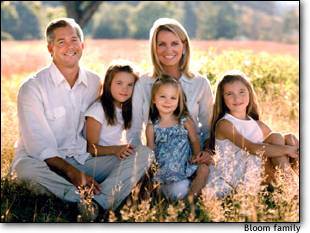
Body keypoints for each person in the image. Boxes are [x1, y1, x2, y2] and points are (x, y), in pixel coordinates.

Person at [10, 18, 153, 219]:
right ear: (50, 48)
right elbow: (39, 146)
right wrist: (73, 174)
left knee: (143, 154)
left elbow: (109, 112)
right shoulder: (32, 88)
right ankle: (78, 199)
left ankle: (97, 202)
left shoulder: (94, 82)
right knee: (25, 171)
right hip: (42, 162)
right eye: (61, 42)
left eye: (74, 40)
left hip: (81, 158)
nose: (69, 46)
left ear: (82, 45)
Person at [129, 17, 214, 165]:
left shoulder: (200, 83)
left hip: (194, 156)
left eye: (174, 43)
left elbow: (208, 128)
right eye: (161, 44)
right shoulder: (143, 84)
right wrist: (145, 164)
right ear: (154, 48)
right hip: (157, 158)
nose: (169, 50)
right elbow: (134, 130)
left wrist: (205, 153)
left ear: (184, 46)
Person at [205, 70, 299, 198]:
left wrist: (290, 145)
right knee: (279, 140)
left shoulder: (257, 125)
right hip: (236, 176)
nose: (237, 98)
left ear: (249, 93)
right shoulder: (225, 124)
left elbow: (278, 142)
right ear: (222, 99)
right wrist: (288, 150)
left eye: (241, 92)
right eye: (229, 94)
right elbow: (252, 148)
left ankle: (295, 186)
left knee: (289, 138)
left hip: (255, 170)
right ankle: (293, 191)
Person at [85, 60, 154, 209]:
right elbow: (90, 148)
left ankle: (136, 200)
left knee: (145, 156)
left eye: (130, 85)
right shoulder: (98, 109)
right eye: (119, 83)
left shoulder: (124, 109)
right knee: (143, 154)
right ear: (109, 83)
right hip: (91, 163)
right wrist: (116, 150)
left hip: (109, 159)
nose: (125, 89)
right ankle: (100, 202)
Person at [145, 76, 209, 201]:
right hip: (164, 168)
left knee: (204, 169)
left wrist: (196, 156)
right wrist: (150, 172)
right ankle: (154, 197)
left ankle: (190, 200)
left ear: (179, 100)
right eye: (162, 96)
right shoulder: (152, 126)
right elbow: (150, 150)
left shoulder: (184, 120)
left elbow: (194, 140)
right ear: (154, 99)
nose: (167, 101)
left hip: (184, 164)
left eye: (173, 98)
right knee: (154, 184)